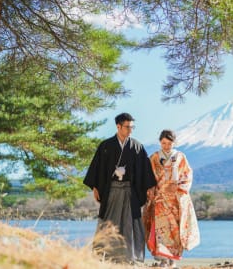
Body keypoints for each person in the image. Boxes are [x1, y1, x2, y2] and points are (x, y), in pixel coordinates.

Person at [83, 113, 156, 264]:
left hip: (130, 191)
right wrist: (95, 188)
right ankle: (103, 256)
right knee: (109, 222)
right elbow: (97, 168)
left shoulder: (137, 146)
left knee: (130, 223)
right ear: (118, 126)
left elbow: (145, 169)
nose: (131, 130)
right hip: (112, 190)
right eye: (128, 127)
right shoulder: (105, 146)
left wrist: (149, 187)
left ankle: (129, 257)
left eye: (132, 127)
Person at [143, 129, 200, 268]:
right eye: (163, 143)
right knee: (160, 231)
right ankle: (163, 259)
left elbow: (187, 174)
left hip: (175, 199)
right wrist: (151, 192)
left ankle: (173, 260)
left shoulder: (180, 157)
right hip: (160, 199)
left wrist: (178, 188)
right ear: (160, 142)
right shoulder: (154, 157)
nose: (166, 146)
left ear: (174, 143)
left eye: (169, 143)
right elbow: (148, 177)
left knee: (174, 230)